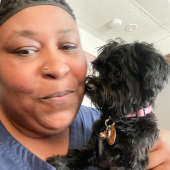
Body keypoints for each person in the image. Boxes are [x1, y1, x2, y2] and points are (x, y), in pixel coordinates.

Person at [0, 0, 169, 170]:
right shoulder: (102, 121)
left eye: (68, 46)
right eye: (26, 50)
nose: (57, 68)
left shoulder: (102, 119)